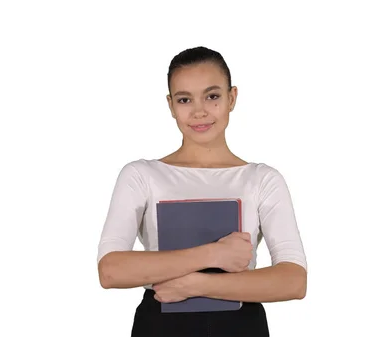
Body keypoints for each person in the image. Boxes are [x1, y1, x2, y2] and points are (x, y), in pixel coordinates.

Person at [97, 46, 307, 337]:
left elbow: (293, 281)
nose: (199, 111)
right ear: (171, 105)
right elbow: (111, 271)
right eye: (185, 99)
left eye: (212, 96)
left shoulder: (261, 179)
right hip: (161, 324)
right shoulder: (142, 175)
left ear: (232, 98)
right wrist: (212, 254)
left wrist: (197, 284)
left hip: (240, 326)